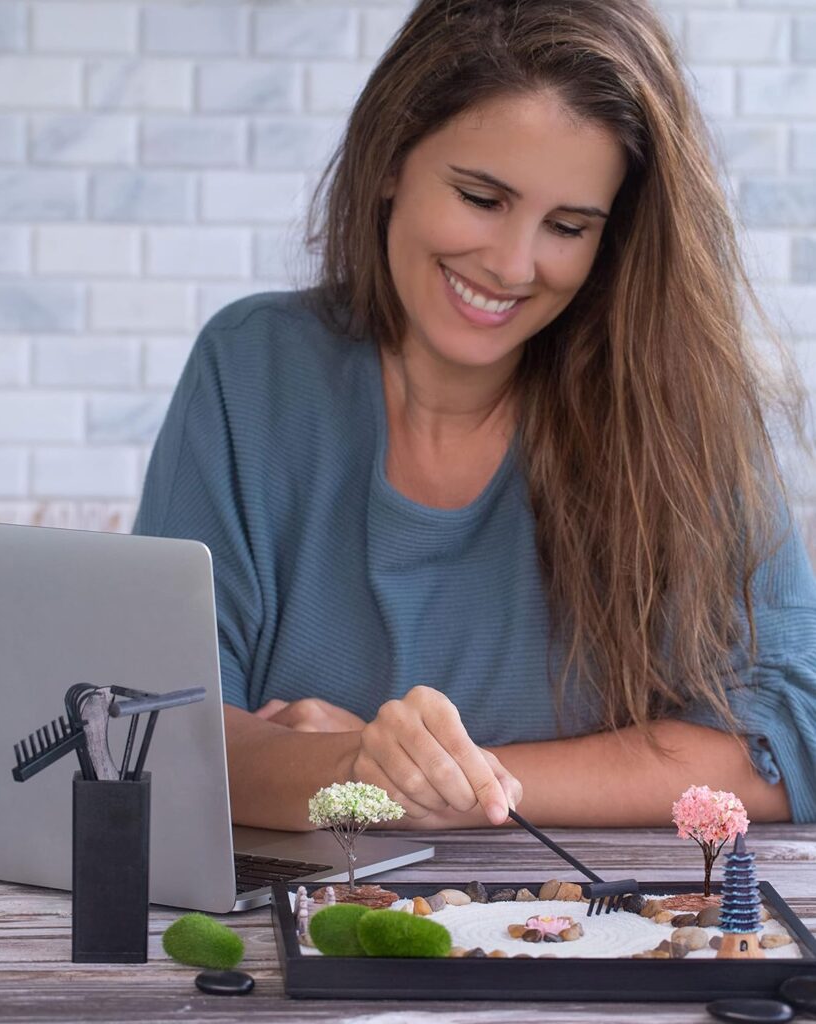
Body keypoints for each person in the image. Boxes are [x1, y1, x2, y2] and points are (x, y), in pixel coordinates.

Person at [133, 0, 816, 831]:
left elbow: (788, 743)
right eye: (481, 197)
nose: (511, 265)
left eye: (567, 226)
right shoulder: (251, 369)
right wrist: (361, 768)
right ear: (391, 159)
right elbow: (157, 734)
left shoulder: (681, 410)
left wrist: (435, 786)